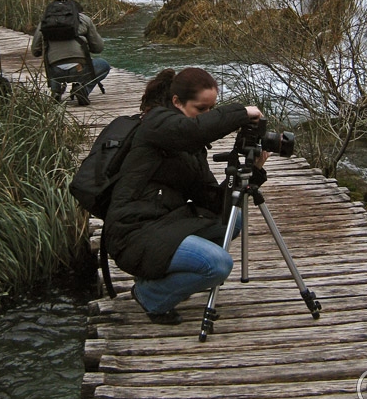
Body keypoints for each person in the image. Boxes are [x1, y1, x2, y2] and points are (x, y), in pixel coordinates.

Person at [104, 66, 269, 325]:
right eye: (201, 109)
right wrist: (241, 113)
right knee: (218, 265)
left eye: (211, 109)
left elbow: (214, 200)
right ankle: (150, 295)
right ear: (176, 102)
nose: (207, 115)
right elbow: (193, 130)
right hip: (132, 232)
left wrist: (252, 172)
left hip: (165, 224)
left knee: (233, 219)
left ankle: (160, 275)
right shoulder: (155, 123)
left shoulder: (191, 150)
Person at [31, 2, 110, 105]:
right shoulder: (84, 19)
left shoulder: (45, 23)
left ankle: (56, 91)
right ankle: (83, 90)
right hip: (79, 69)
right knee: (103, 65)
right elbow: (98, 48)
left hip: (55, 72)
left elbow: (35, 51)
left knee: (52, 62)